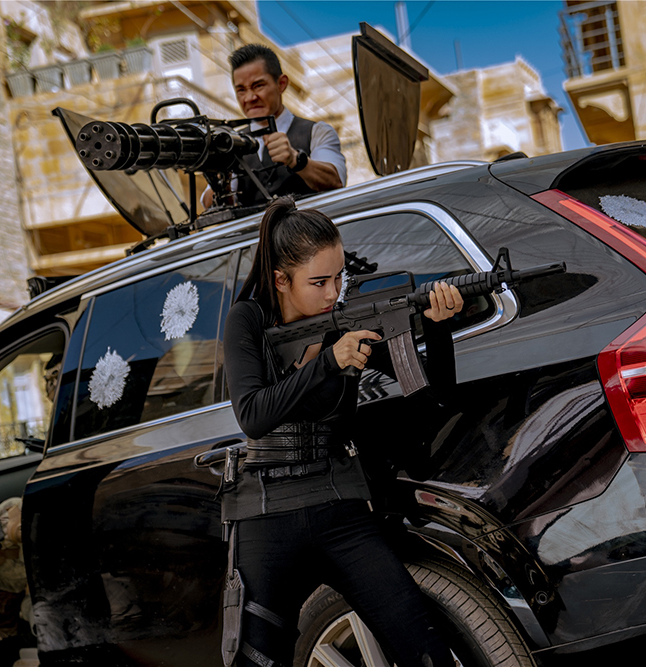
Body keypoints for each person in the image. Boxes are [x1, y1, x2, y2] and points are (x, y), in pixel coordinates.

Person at [221, 197, 462, 667]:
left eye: (339, 278)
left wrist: (438, 330)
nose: (332, 292)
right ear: (281, 280)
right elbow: (251, 414)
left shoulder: (344, 322)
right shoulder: (247, 319)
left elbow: (434, 399)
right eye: (319, 282)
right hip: (266, 511)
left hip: (339, 504)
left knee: (424, 645)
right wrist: (329, 362)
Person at [201, 44, 346, 209]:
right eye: (241, 90)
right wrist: (220, 179)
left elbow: (336, 181)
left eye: (258, 86)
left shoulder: (317, 132)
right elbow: (209, 204)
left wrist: (295, 159)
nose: (250, 98)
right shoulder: (232, 143)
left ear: (281, 84)